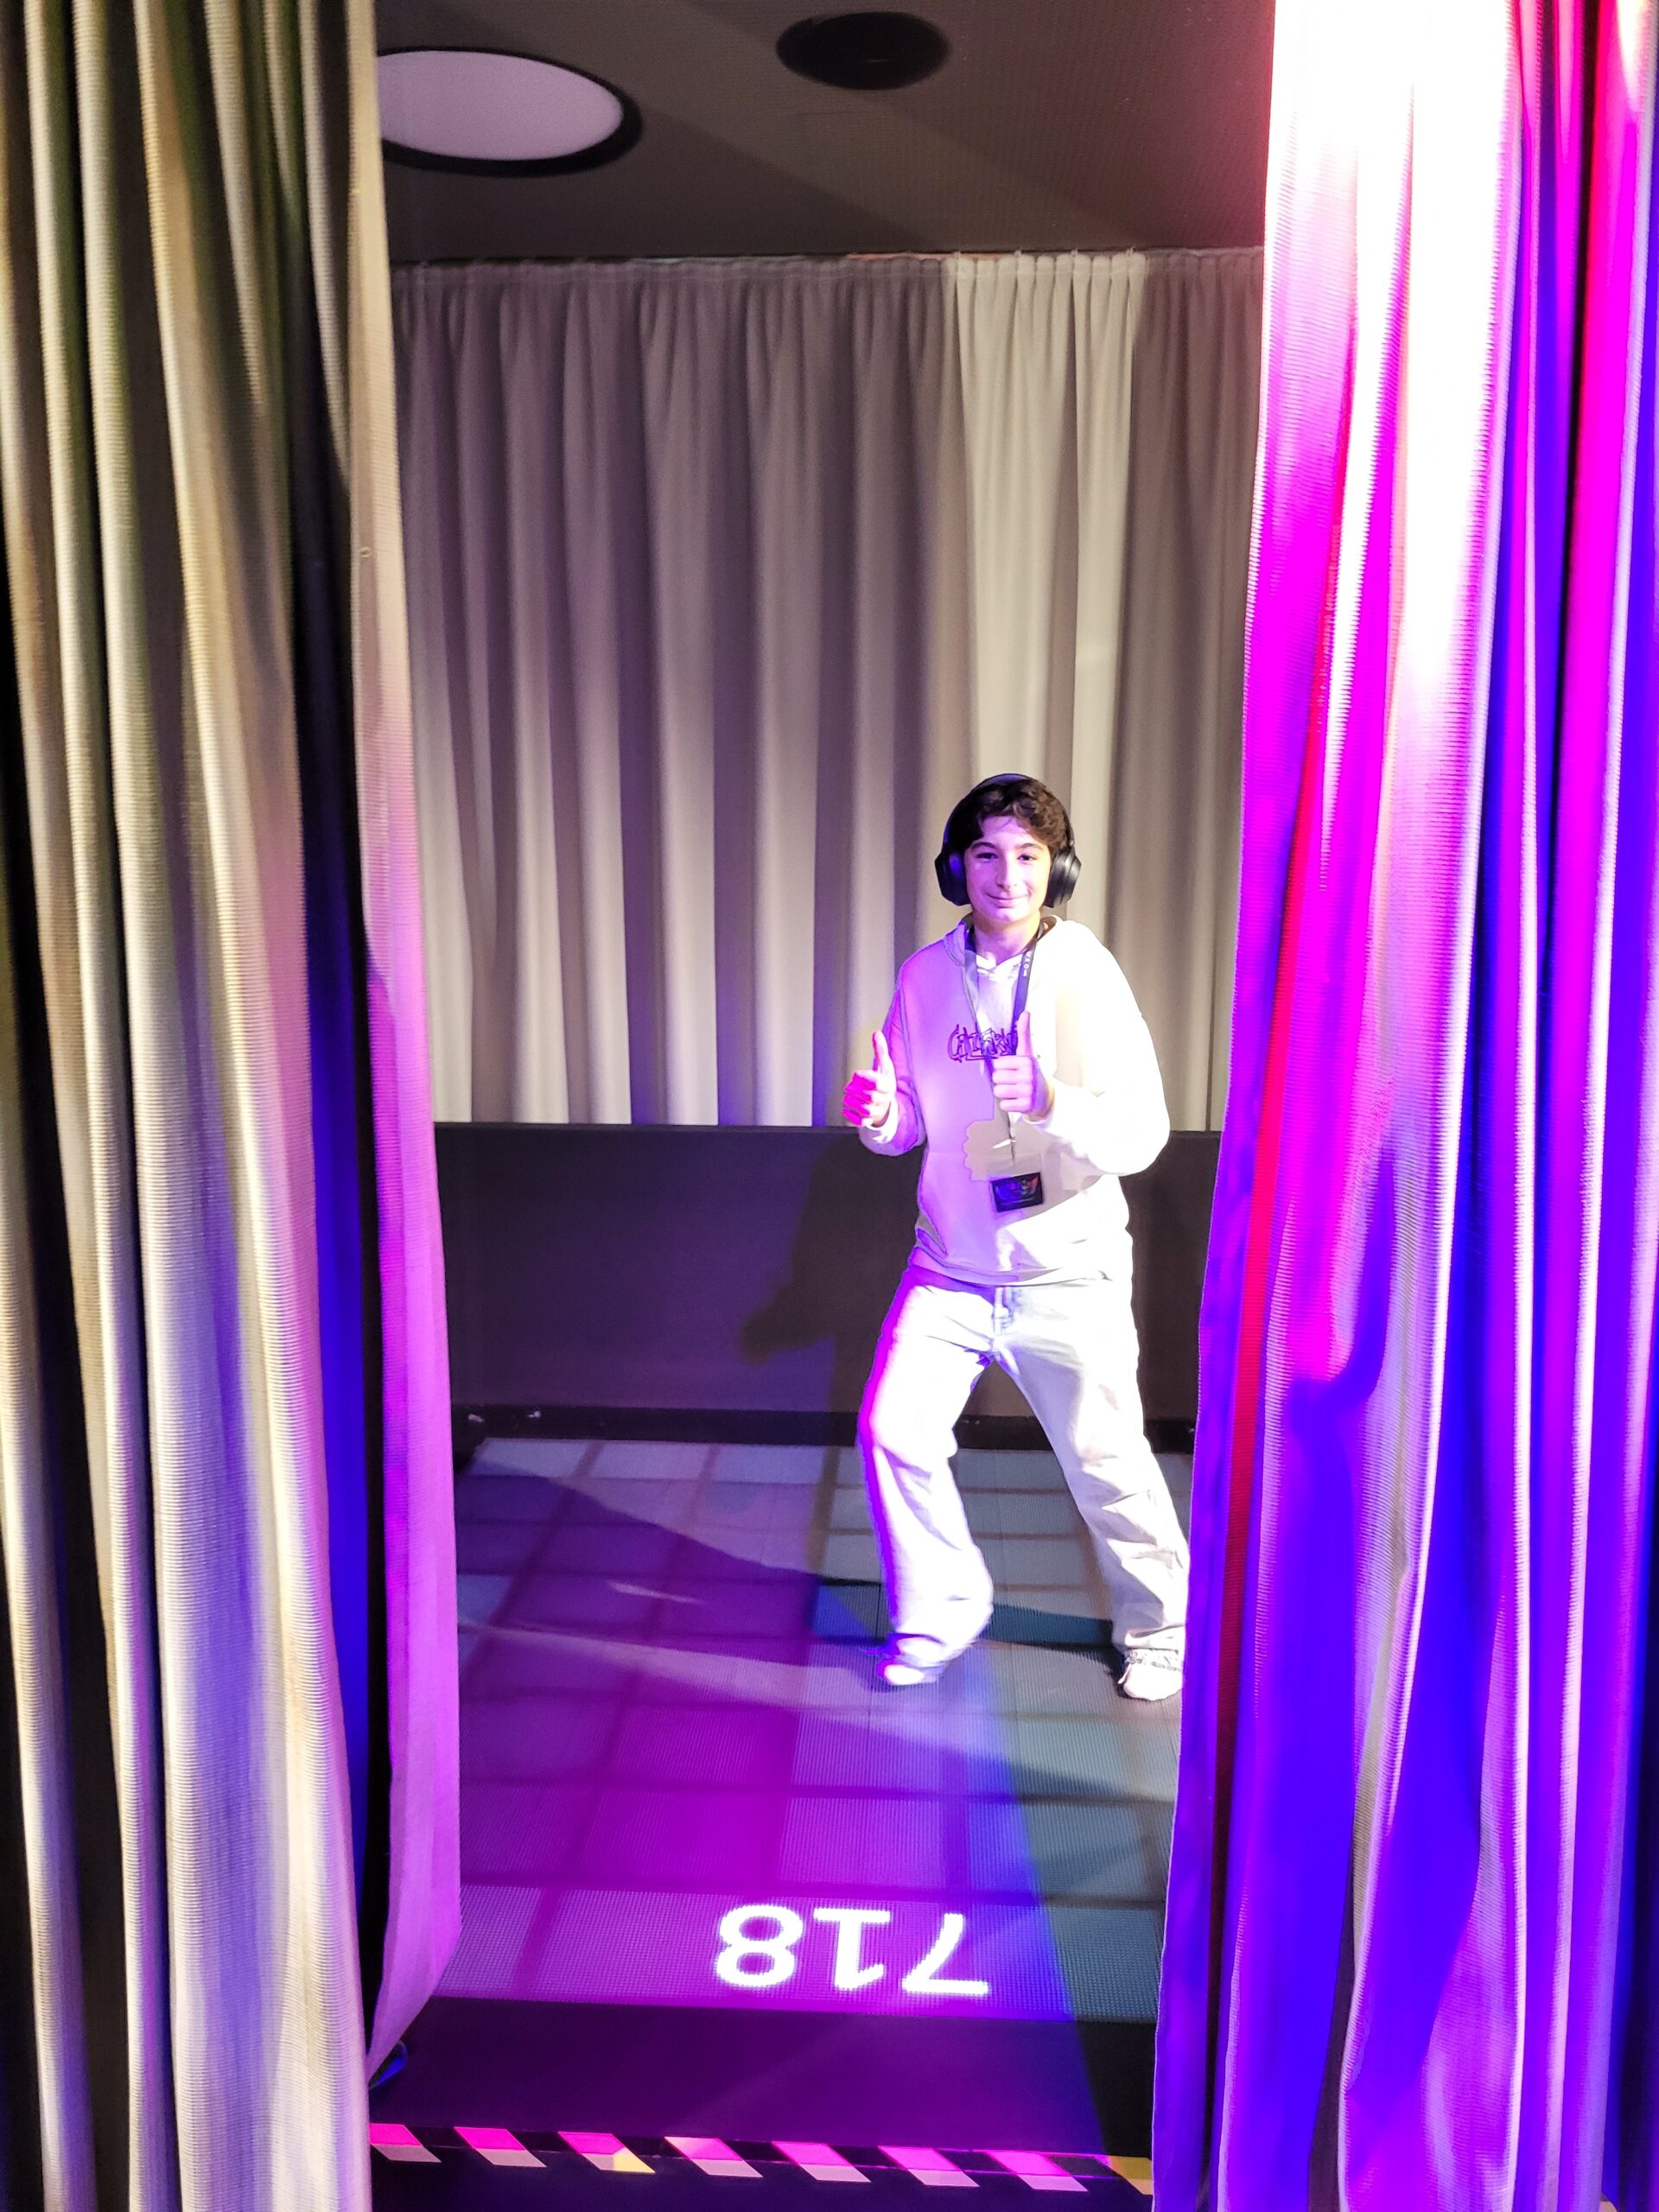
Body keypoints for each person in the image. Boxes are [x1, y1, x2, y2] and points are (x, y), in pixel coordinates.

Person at [843, 773, 1188, 1700]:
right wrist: (880, 1114)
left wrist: (1049, 1102)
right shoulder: (925, 976)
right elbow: (908, 1122)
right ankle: (940, 1611)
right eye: (988, 854)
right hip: (950, 1269)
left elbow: (1142, 1134)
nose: (1008, 876)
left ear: (1056, 868)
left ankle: (1163, 1628)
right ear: (957, 867)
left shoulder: (1087, 972)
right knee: (892, 1431)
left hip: (1066, 1273)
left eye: (1029, 856)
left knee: (1106, 1464)